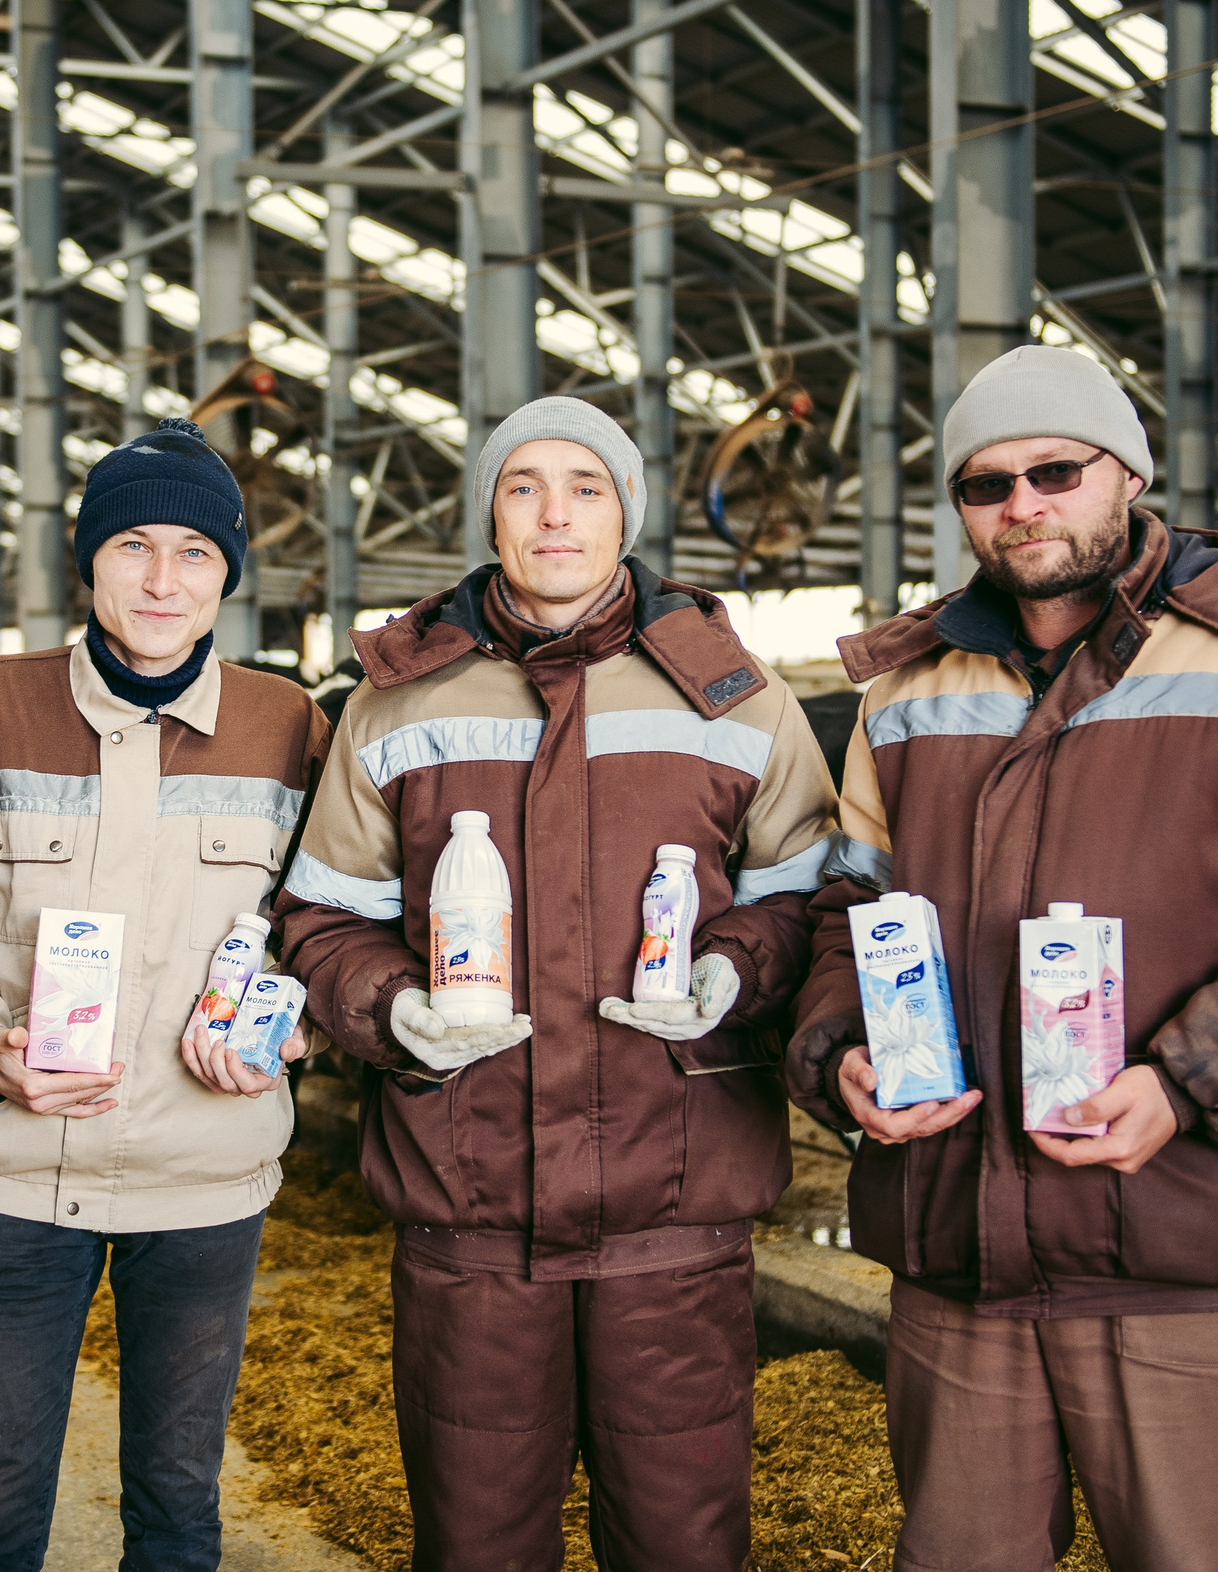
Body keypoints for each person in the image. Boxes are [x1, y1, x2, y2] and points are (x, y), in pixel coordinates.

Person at [784, 345, 1218, 1572]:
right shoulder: (908, 685)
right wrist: (841, 1052)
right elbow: (847, 907)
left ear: (1127, 474)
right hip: (959, 1245)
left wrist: (1185, 1083)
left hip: (1179, 1243)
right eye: (985, 485)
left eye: (1055, 469)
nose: (1022, 504)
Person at [276, 396, 839, 1571]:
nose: (553, 513)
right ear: (490, 511)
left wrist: (732, 969)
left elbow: (805, 901)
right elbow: (321, 915)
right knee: (476, 1543)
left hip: (673, 1200)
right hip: (469, 1200)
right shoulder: (395, 699)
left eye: (585, 485)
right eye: (522, 484)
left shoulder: (735, 694)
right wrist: (390, 1008)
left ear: (624, 509)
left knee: (684, 1543)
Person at [0, 419, 331, 1572]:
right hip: (12, 1174)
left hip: (202, 1178)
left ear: (227, 573)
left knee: (179, 1509)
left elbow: (327, 933)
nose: (160, 578)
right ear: (86, 561)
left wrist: (289, 1027)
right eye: (131, 544)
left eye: (194, 551)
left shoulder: (290, 727)